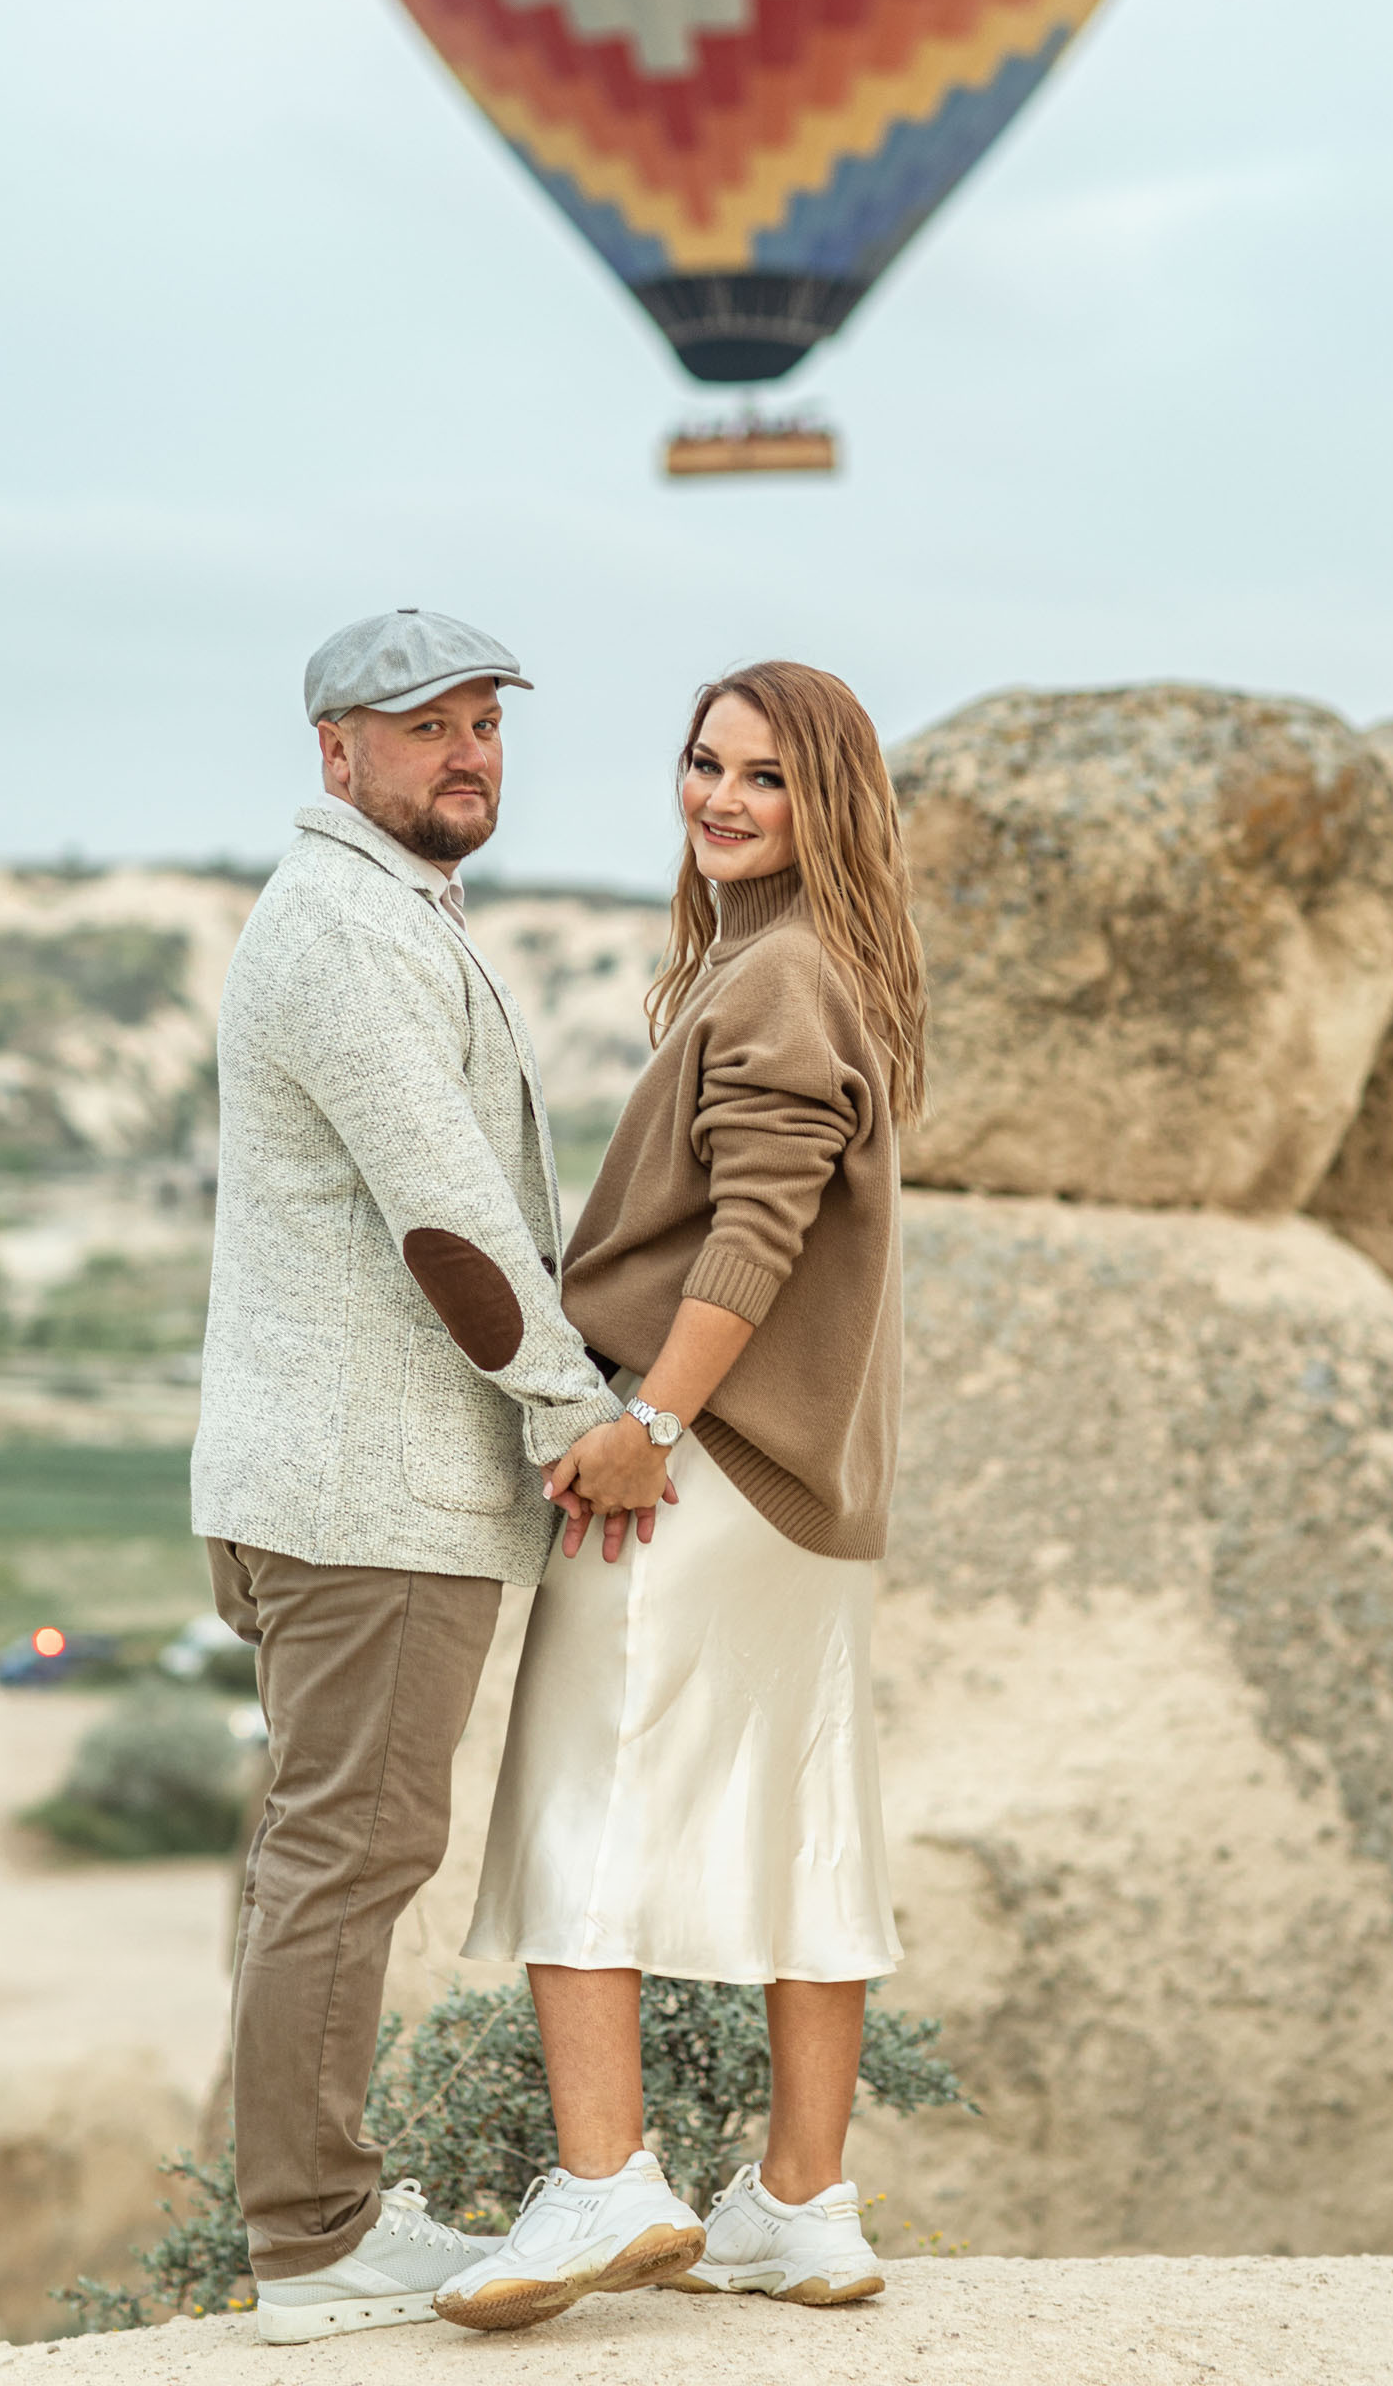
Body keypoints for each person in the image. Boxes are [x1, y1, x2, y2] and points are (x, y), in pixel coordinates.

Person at [434, 659, 927, 2334]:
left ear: (828, 803)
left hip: (694, 1473)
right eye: (704, 763)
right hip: (810, 1500)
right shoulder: (829, 969)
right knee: (808, 1824)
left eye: (765, 779)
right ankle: (802, 2203)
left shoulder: (780, 980)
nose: (720, 798)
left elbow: (758, 1225)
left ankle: (602, 2180)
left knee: (581, 1789)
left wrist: (647, 1416)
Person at [190, 606, 633, 2345]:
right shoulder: (343, 931)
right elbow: (447, 1215)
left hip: (334, 1488)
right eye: (425, 726)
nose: (467, 754)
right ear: (336, 754)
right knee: (348, 1858)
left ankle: (315, 2219)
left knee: (321, 1853)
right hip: (368, 1499)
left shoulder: (380, 914)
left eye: (485, 725)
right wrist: (563, 1410)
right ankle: (313, 2241)